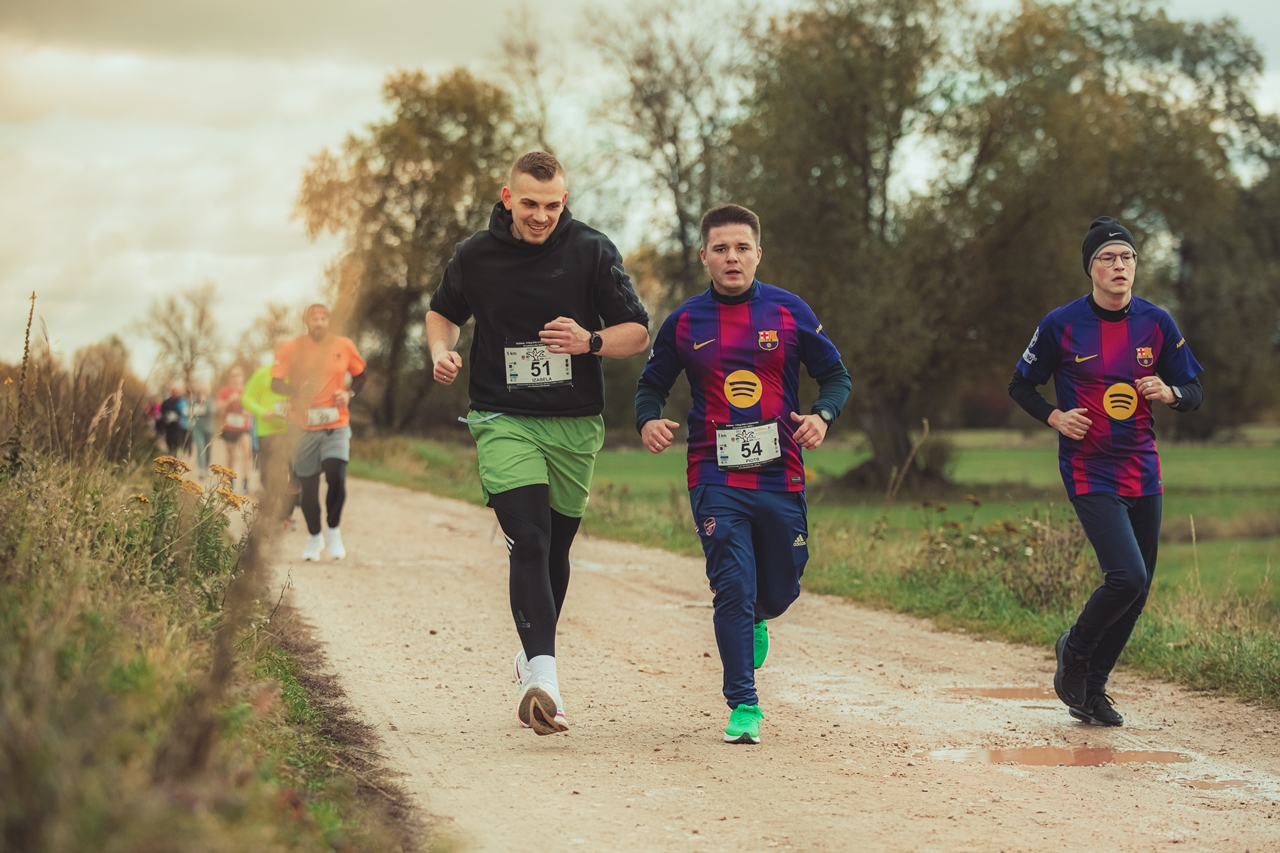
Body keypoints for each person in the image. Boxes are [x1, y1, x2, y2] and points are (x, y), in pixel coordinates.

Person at [426, 151, 650, 736]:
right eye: (529, 203)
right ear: (507, 197)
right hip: (503, 417)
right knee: (528, 538)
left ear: (564, 201)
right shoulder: (475, 254)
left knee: (556, 550)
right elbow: (442, 312)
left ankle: (532, 654)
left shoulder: (592, 250)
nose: (541, 216)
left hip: (574, 423)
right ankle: (546, 681)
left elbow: (636, 333)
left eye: (552, 206)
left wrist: (590, 340)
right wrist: (441, 351)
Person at [635, 204, 850, 744]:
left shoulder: (789, 311)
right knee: (731, 585)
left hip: (780, 472)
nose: (732, 257)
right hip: (714, 473)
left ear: (758, 254)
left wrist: (822, 416)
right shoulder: (685, 321)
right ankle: (744, 704)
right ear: (703, 256)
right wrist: (647, 420)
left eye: (742, 248)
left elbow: (835, 376)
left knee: (779, 589)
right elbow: (651, 384)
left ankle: (758, 615)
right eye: (721, 248)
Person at [1009, 216, 1203, 727]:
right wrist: (1055, 416)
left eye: (1127, 257)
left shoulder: (1157, 323)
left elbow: (1194, 391)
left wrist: (1171, 392)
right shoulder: (1061, 324)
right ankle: (1073, 649)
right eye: (1108, 258)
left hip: (1142, 467)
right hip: (1088, 467)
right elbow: (1021, 385)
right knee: (1126, 576)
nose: (1120, 266)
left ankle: (1090, 692)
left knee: (1138, 591)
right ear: (1091, 268)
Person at [272, 304, 367, 561]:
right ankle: (315, 537)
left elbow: (361, 376)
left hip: (336, 422)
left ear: (329, 322)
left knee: (336, 472)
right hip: (303, 426)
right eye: (314, 319)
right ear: (307, 322)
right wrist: (297, 392)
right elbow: (276, 383)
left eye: (323, 319)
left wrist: (349, 394)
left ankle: (333, 529)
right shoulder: (293, 348)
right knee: (308, 487)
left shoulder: (344, 345)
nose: (319, 323)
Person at [241, 338, 296, 528]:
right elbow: (246, 398)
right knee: (265, 473)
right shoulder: (263, 373)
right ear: (274, 350)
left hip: (288, 429)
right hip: (266, 430)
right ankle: (271, 504)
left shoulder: (295, 375)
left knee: (283, 470)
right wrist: (263, 412)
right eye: (280, 348)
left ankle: (284, 513)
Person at [216, 366, 252, 493]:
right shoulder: (225, 390)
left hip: (243, 428)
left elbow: (252, 409)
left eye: (238, 375)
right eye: (233, 375)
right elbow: (218, 408)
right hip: (229, 428)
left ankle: (245, 482)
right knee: (231, 457)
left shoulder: (247, 390)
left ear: (242, 377)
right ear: (230, 378)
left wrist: (247, 410)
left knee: (246, 454)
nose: (236, 378)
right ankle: (231, 481)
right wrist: (229, 400)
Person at [188, 380, 215, 478]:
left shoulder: (211, 401)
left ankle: (206, 467)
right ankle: (201, 470)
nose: (203, 391)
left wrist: (204, 402)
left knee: (208, 449)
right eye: (202, 389)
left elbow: (211, 411)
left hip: (208, 428)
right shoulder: (194, 400)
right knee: (200, 447)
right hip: (197, 428)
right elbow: (190, 411)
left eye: (205, 389)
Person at [158, 385, 190, 455]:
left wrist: (181, 419)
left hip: (178, 424)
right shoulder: (166, 402)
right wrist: (165, 419)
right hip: (169, 425)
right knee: (169, 440)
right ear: (171, 392)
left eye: (177, 392)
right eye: (174, 392)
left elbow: (184, 412)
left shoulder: (181, 402)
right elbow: (162, 412)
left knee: (178, 440)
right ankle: (171, 452)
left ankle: (177, 455)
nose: (175, 394)